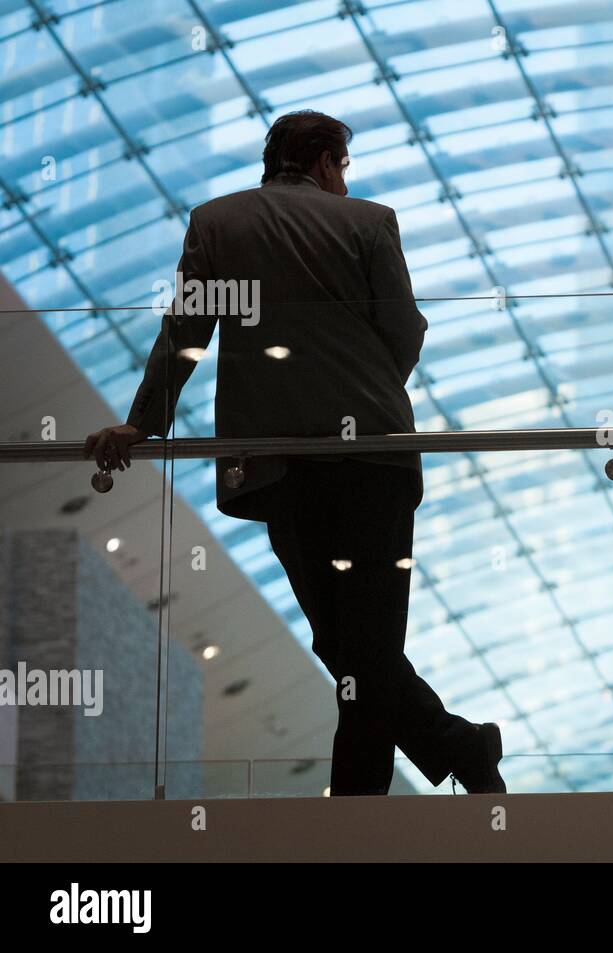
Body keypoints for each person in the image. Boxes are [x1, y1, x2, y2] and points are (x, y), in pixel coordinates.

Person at [84, 110, 505, 796]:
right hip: (375, 462)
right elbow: (404, 329)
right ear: (324, 160)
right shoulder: (369, 224)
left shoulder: (216, 223)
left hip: (280, 464)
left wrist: (143, 423)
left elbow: (186, 331)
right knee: (360, 645)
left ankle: (405, 775)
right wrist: (366, 393)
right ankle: (436, 761)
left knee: (341, 643)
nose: (344, 183)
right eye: (342, 167)